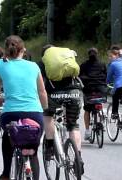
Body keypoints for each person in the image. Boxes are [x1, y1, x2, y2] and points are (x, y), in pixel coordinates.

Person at [0, 35, 48, 180]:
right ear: (23, 50)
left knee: (7, 137)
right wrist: (44, 108)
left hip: (10, 114)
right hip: (35, 114)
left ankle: (6, 173)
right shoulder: (34, 66)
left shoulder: (0, 66)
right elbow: (42, 91)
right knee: (32, 150)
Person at [38, 44, 84, 173]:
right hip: (74, 92)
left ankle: (50, 147)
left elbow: (39, 83)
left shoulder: (42, 63)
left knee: (48, 117)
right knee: (73, 125)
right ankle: (78, 157)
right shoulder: (67, 58)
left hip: (54, 93)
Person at [79, 48, 107, 140]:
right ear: (97, 54)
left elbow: (79, 76)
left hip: (88, 90)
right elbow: (105, 76)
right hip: (101, 89)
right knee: (99, 103)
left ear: (88, 55)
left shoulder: (84, 65)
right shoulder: (102, 64)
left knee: (87, 110)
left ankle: (87, 131)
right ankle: (102, 120)